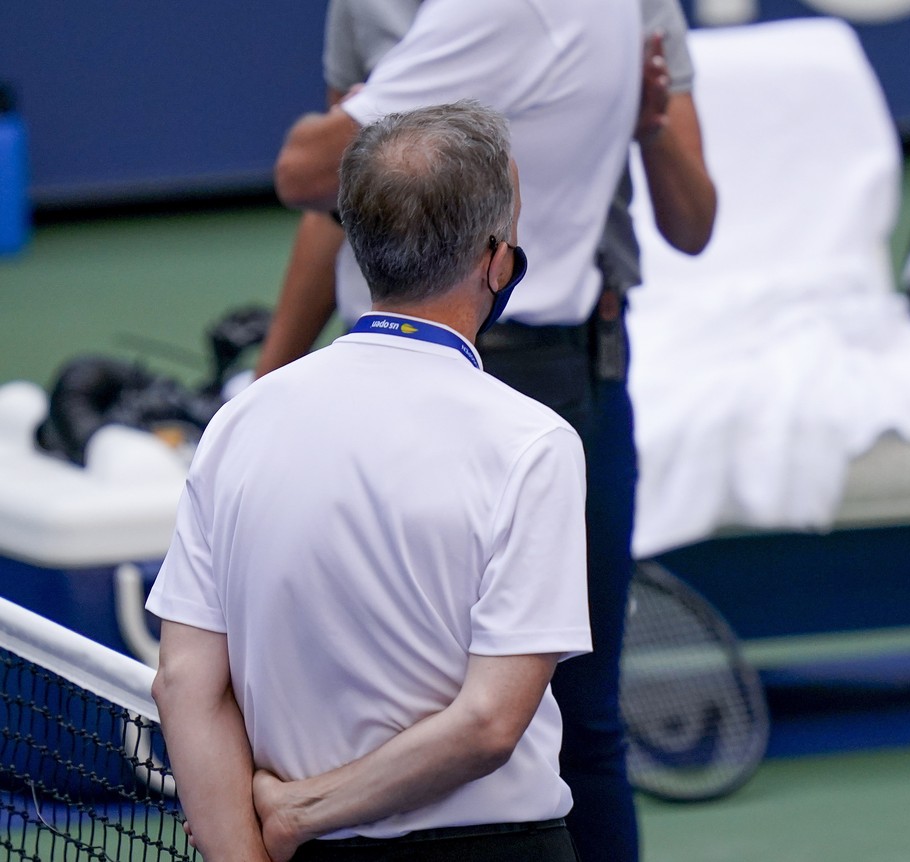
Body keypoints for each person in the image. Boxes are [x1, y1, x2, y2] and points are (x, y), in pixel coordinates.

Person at [258, 3, 714, 859]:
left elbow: (305, 169)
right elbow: (336, 208)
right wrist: (260, 394)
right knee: (405, 711)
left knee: (571, 728)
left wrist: (643, 125)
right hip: (401, 365)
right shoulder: (371, 8)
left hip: (549, 369)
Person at [148, 101, 591, 862]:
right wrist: (294, 814)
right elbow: (490, 724)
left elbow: (184, 683)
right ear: (497, 262)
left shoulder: (239, 424)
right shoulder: (534, 445)